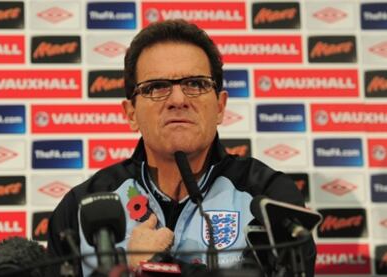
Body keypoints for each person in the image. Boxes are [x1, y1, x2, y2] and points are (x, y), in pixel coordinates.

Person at [47, 19, 316, 276]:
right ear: (131, 113)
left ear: (220, 107)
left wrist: (152, 267)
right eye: (156, 87)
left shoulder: (267, 198)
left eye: (196, 84)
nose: (178, 99)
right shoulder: (80, 207)